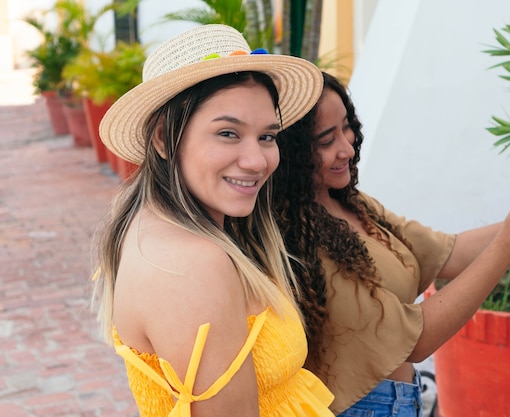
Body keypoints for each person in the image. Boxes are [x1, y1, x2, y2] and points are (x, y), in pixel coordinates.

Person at [271, 72, 510, 417]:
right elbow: (418, 339)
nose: (348, 146)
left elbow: (449, 251)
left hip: (398, 400)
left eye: (347, 126)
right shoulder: (297, 238)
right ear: (292, 153)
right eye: (326, 140)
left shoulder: (347, 202)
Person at [91, 24, 335, 417]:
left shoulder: (175, 228)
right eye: (227, 133)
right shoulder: (190, 264)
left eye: (268, 137)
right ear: (162, 138)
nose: (257, 161)